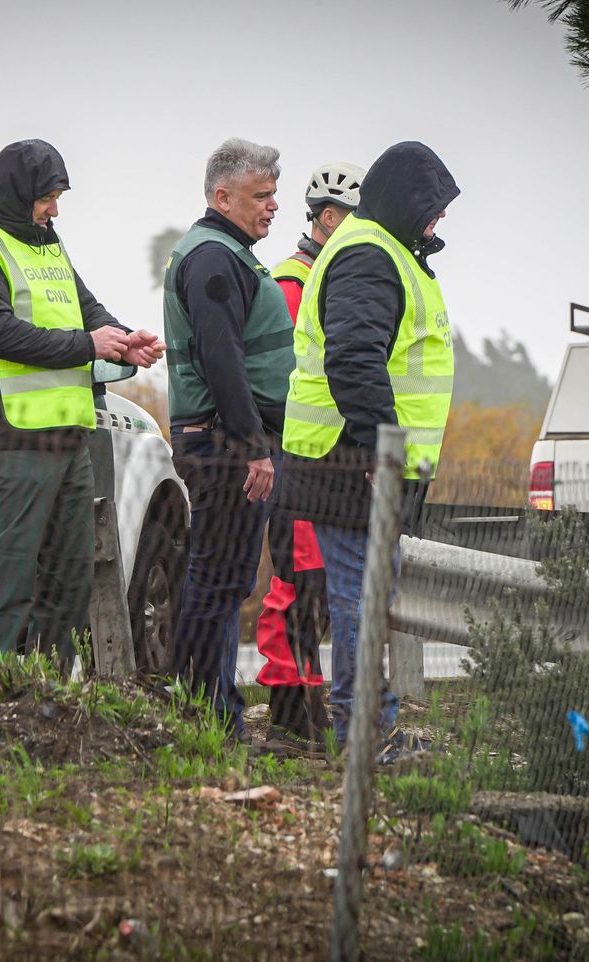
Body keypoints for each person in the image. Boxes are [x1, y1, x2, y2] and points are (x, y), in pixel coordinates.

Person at [0, 139, 164, 686]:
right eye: (47, 198)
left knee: (70, 578)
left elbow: (87, 309)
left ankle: (47, 694)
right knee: (7, 576)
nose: (54, 210)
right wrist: (88, 345)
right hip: (12, 436)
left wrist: (123, 341)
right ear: (18, 192)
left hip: (68, 439)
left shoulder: (46, 245)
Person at [281, 141, 459, 764]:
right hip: (354, 462)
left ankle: (368, 727)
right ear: (407, 201)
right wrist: (382, 454)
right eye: (434, 206)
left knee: (368, 597)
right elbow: (354, 361)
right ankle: (363, 734)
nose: (440, 218)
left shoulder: (385, 250)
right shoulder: (369, 255)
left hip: (362, 460)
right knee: (361, 599)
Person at [163, 137, 291, 738]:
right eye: (261, 195)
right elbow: (221, 359)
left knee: (225, 579)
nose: (273, 206)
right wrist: (254, 447)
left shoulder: (228, 254)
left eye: (273, 194)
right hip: (225, 446)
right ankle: (202, 716)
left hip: (229, 442)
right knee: (216, 580)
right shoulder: (214, 259)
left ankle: (213, 713)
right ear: (223, 197)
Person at [256, 162, 366, 753]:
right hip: (300, 459)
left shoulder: (327, 276)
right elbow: (286, 380)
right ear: (327, 217)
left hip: (325, 463)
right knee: (297, 589)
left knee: (316, 592)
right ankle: (289, 716)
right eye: (354, 219)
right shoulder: (293, 284)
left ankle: (309, 712)